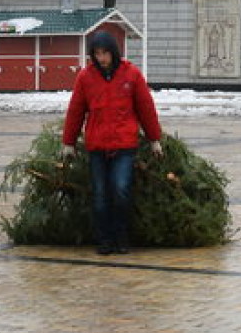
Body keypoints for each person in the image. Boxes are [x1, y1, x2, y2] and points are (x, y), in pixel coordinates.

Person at [61, 31, 164, 255]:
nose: (102, 58)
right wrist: (68, 142)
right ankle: (104, 240)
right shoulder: (85, 77)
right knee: (100, 195)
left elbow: (146, 108)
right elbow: (76, 110)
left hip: (124, 144)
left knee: (120, 190)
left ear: (114, 52)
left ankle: (121, 236)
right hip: (97, 146)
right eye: (97, 54)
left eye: (105, 53)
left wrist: (154, 139)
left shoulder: (132, 74)